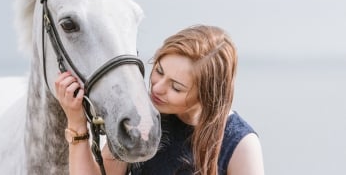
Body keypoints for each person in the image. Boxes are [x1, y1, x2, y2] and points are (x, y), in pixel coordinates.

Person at [55, 24, 264, 175]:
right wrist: (76, 121)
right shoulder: (141, 118)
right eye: (159, 70)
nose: (157, 87)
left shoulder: (239, 144)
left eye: (176, 87)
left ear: (207, 96)